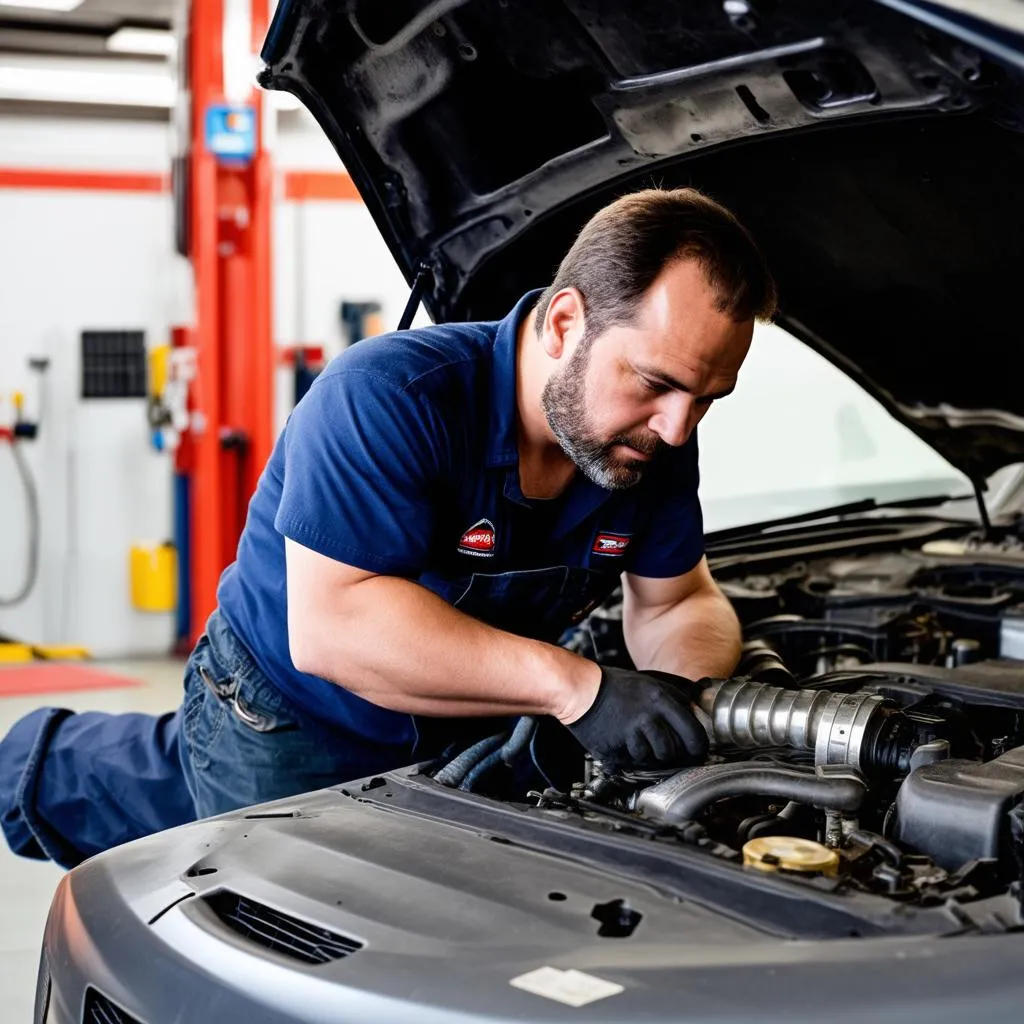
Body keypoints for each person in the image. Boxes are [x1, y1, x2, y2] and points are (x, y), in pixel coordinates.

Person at [0, 187, 776, 868]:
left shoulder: (649, 446)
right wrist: (576, 686)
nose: (677, 428)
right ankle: (31, 769)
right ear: (566, 321)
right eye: (657, 383)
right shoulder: (392, 395)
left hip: (467, 713)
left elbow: (676, 601)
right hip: (292, 715)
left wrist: (679, 693)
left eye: (708, 399)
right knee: (300, 937)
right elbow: (335, 625)